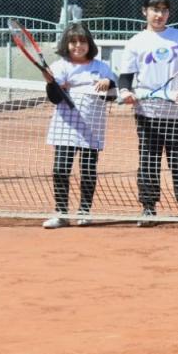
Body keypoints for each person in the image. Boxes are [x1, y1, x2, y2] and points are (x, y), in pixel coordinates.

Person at [116, 0, 178, 225]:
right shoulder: (135, 42)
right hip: (148, 112)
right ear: (145, 11)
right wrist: (125, 92)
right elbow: (125, 78)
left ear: (168, 13)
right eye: (154, 9)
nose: (159, 14)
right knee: (149, 160)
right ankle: (149, 208)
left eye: (163, 10)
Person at [41, 23, 115, 229]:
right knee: (60, 170)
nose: (77, 46)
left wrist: (109, 82)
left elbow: (113, 93)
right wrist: (51, 83)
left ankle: (84, 211)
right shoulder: (60, 66)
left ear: (89, 44)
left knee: (88, 170)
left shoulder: (101, 67)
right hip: (65, 128)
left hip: (92, 128)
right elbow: (55, 98)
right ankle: (62, 213)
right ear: (67, 44)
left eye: (82, 41)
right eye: (73, 42)